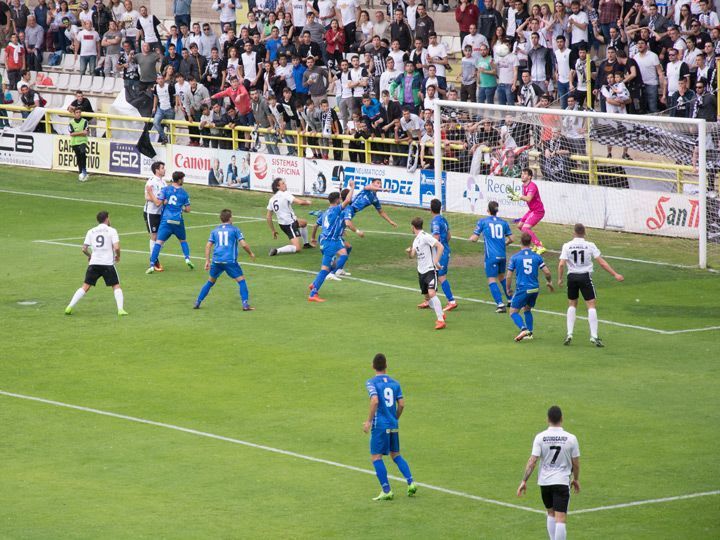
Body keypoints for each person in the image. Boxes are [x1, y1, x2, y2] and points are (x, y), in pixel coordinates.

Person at [517, 405, 581, 540]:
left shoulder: (540, 437)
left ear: (547, 419)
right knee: (561, 518)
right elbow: (575, 463)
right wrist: (576, 479)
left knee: (550, 514)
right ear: (562, 418)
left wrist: (524, 481)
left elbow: (532, 461)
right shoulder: (571, 438)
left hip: (545, 483)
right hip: (561, 482)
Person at [558, 223, 624, 347]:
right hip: (585, 277)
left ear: (574, 232)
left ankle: (569, 334)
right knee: (591, 305)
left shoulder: (567, 246)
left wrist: (560, 279)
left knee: (572, 304)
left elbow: (561, 264)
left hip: (571, 277)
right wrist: (615, 274)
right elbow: (602, 263)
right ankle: (594, 336)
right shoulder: (590, 245)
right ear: (584, 233)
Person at [362, 353, 417, 501]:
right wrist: (394, 418)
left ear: (373, 366)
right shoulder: (395, 383)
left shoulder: (371, 382)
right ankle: (411, 482)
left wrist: (368, 421)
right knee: (396, 454)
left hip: (380, 425)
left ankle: (386, 490)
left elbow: (374, 400)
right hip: (393, 423)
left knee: (376, 457)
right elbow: (402, 404)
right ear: (386, 366)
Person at [64, 211, 127, 316]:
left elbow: (84, 249)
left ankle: (69, 307)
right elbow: (116, 247)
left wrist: (90, 256)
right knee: (116, 286)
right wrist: (118, 256)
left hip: (94, 264)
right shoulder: (112, 231)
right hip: (107, 264)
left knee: (85, 287)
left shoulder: (91, 231)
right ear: (107, 219)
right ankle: (120, 310)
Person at [194, 209, 255, 311]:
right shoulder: (235, 229)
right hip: (230, 261)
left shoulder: (215, 231)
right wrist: (251, 253)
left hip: (216, 261)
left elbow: (208, 245)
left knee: (210, 282)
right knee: (241, 281)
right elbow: (243, 244)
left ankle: (197, 302)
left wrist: (207, 261)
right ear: (230, 218)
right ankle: (245, 304)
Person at [308, 181, 355, 302]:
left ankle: (314, 284)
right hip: (329, 243)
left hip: (325, 240)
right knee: (325, 269)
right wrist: (352, 187)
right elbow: (348, 200)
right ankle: (313, 293)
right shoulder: (335, 210)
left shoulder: (326, 212)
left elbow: (317, 225)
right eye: (339, 198)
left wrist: (313, 238)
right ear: (337, 200)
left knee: (336, 260)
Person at [506, 232, 554, 342]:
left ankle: (523, 329)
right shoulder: (537, 256)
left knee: (513, 312)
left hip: (523, 289)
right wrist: (550, 282)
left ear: (520, 242)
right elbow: (547, 272)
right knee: (527, 309)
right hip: (535, 288)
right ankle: (530, 333)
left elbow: (509, 276)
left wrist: (508, 289)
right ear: (531, 242)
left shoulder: (515, 257)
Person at [469, 201, 513, 313]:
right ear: (497, 211)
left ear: (488, 210)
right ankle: (510, 300)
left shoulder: (483, 222)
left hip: (491, 256)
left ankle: (500, 304)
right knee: (502, 277)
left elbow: (474, 238)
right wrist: (504, 244)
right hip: (502, 255)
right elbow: (512, 239)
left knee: (491, 279)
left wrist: (471, 239)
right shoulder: (504, 223)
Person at [146, 171, 194, 273]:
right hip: (177, 221)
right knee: (183, 241)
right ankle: (187, 259)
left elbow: (158, 202)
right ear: (180, 180)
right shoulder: (184, 193)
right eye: (183, 179)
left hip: (166, 221)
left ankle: (151, 265)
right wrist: (181, 208)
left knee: (158, 242)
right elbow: (188, 209)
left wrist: (151, 193)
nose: (183, 181)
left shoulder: (165, 189)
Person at [407, 216, 446, 330]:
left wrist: (436, 261)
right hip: (421, 271)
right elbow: (412, 255)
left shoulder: (425, 237)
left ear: (413, 227)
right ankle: (440, 313)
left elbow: (440, 246)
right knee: (428, 298)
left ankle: (440, 320)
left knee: (432, 293)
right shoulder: (416, 240)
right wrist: (409, 252)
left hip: (430, 270)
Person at [423, 198, 456, 311]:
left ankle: (451, 301)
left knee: (441, 277)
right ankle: (429, 300)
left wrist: (428, 246)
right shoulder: (443, 219)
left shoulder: (435, 221)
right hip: (444, 250)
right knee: (433, 275)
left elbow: (436, 237)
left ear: (430, 209)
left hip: (440, 252)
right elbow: (449, 236)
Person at [267, 177, 313, 255]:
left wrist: (273, 230)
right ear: (278, 187)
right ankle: (277, 250)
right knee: (297, 248)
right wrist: (308, 202)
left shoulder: (272, 199)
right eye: (283, 183)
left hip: (284, 223)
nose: (285, 184)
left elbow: (268, 217)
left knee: (304, 223)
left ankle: (306, 244)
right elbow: (299, 202)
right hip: (290, 224)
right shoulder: (285, 194)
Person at [509, 168, 546, 254]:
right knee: (520, 226)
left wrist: (519, 196)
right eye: (522, 173)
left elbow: (528, 198)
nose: (522, 175)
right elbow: (527, 199)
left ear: (529, 177)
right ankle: (536, 244)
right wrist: (517, 198)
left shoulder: (532, 186)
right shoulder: (524, 186)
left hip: (538, 211)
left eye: (525, 174)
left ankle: (540, 246)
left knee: (525, 228)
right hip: (532, 210)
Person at [144, 161, 166, 272]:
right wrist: (157, 200)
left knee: (162, 238)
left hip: (161, 213)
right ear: (157, 170)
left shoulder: (164, 182)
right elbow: (146, 196)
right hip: (151, 212)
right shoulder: (151, 182)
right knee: (154, 236)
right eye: (162, 168)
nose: (164, 169)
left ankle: (153, 256)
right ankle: (154, 261)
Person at [68, 108, 90, 182]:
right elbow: (71, 134)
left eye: (79, 112)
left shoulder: (85, 122)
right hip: (74, 142)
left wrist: (76, 133)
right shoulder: (71, 122)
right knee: (79, 157)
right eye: (77, 112)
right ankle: (81, 172)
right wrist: (81, 132)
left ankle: (84, 171)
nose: (78, 114)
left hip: (83, 141)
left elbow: (86, 133)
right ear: (74, 114)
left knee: (83, 153)